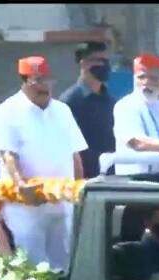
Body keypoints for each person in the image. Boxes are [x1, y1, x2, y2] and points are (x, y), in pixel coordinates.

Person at [0, 55, 88, 271]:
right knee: (33, 267)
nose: (44, 87)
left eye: (47, 81)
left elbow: (75, 155)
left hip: (62, 202)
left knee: (64, 264)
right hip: (26, 204)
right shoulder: (8, 111)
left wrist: (81, 189)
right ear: (24, 82)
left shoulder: (62, 111)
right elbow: (7, 155)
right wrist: (21, 184)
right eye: (37, 81)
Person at [59, 41, 117, 179]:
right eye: (99, 60)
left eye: (107, 61)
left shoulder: (111, 102)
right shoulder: (69, 102)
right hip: (84, 180)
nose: (104, 66)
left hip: (111, 178)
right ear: (83, 63)